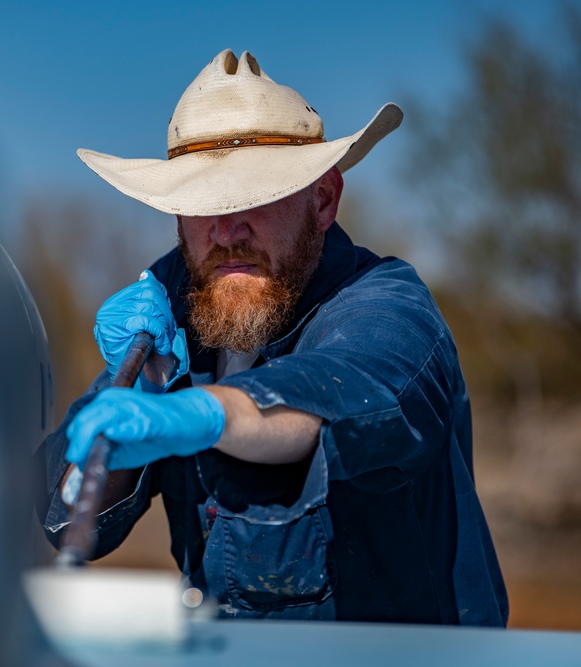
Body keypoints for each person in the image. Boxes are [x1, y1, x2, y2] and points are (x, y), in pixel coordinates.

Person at [35, 49, 508, 626]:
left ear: (324, 200)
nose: (228, 231)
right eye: (200, 203)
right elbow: (67, 517)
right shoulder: (167, 317)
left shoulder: (388, 306)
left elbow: (331, 397)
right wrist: (145, 388)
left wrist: (202, 414)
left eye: (258, 196)